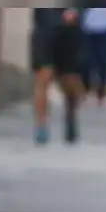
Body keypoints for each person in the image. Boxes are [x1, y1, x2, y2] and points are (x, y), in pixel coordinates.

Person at [30, 8, 85, 145]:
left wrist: (77, 11)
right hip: (44, 30)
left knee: (70, 81)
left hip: (69, 30)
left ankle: (70, 115)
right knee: (43, 76)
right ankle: (41, 126)